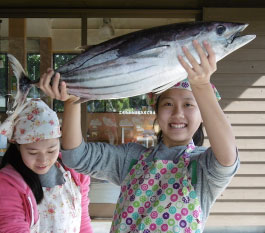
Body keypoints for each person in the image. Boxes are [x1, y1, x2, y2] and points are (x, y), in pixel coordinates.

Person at [39, 40, 239, 233]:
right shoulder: (132, 158)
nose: (178, 113)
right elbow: (76, 156)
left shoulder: (202, 167)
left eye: (188, 104)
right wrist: (72, 100)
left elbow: (227, 158)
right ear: (156, 111)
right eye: (168, 104)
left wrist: (202, 85)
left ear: (203, 113)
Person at [0, 99, 93, 233]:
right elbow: (12, 227)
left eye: (51, 150)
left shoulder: (76, 173)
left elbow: (82, 221)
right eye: (33, 152)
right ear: (18, 147)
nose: (43, 160)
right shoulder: (7, 184)